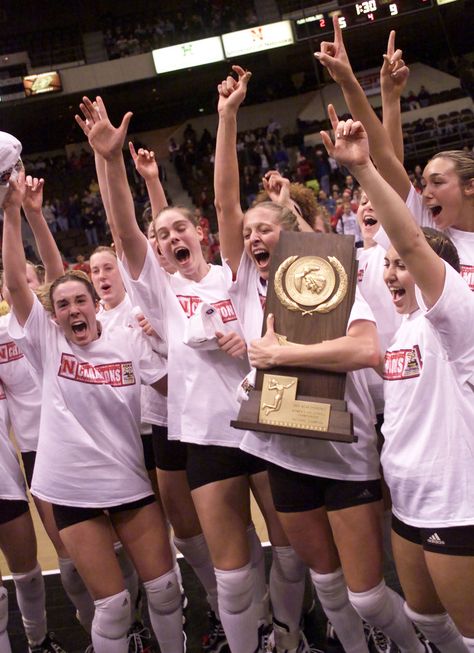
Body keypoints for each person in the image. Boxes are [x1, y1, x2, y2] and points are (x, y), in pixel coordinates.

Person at [215, 65, 423, 653]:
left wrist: (284, 350)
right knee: (329, 588)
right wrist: (228, 116)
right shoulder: (241, 284)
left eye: (265, 229)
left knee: (366, 595)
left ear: (290, 233)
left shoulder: (331, 274)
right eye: (245, 233)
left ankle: (419, 645)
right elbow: (226, 200)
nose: (253, 237)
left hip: (342, 446)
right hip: (281, 446)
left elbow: (366, 349)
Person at [76, 94, 267, 653]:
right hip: (208, 440)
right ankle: (248, 644)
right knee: (231, 570)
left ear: (200, 233)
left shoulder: (235, 274)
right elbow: (123, 227)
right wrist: (110, 163)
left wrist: (227, 117)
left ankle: (283, 629)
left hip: (266, 425)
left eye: (179, 227)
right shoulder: (162, 292)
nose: (169, 238)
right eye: (162, 236)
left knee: (291, 550)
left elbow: (230, 200)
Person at [2, 170, 184, 653]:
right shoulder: (46, 343)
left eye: (81, 299)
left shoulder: (125, 340)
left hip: (127, 479)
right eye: (62, 304)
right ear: (53, 314)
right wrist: (12, 213)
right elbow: (21, 284)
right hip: (72, 488)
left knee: (166, 592)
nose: (73, 309)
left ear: (94, 305)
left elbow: (173, 388)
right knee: (114, 605)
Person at [320, 105, 474, 653]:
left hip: (457, 502)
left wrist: (362, 168)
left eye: (402, 266)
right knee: (425, 619)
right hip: (408, 500)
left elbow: (412, 240)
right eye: (387, 267)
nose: (392, 273)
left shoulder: (458, 316)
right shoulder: (404, 330)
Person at [315, 22, 474, 290]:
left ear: (470, 186)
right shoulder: (427, 227)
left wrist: (390, 98)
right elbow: (385, 157)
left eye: (437, 182)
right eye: (424, 184)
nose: (425, 193)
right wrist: (348, 81)